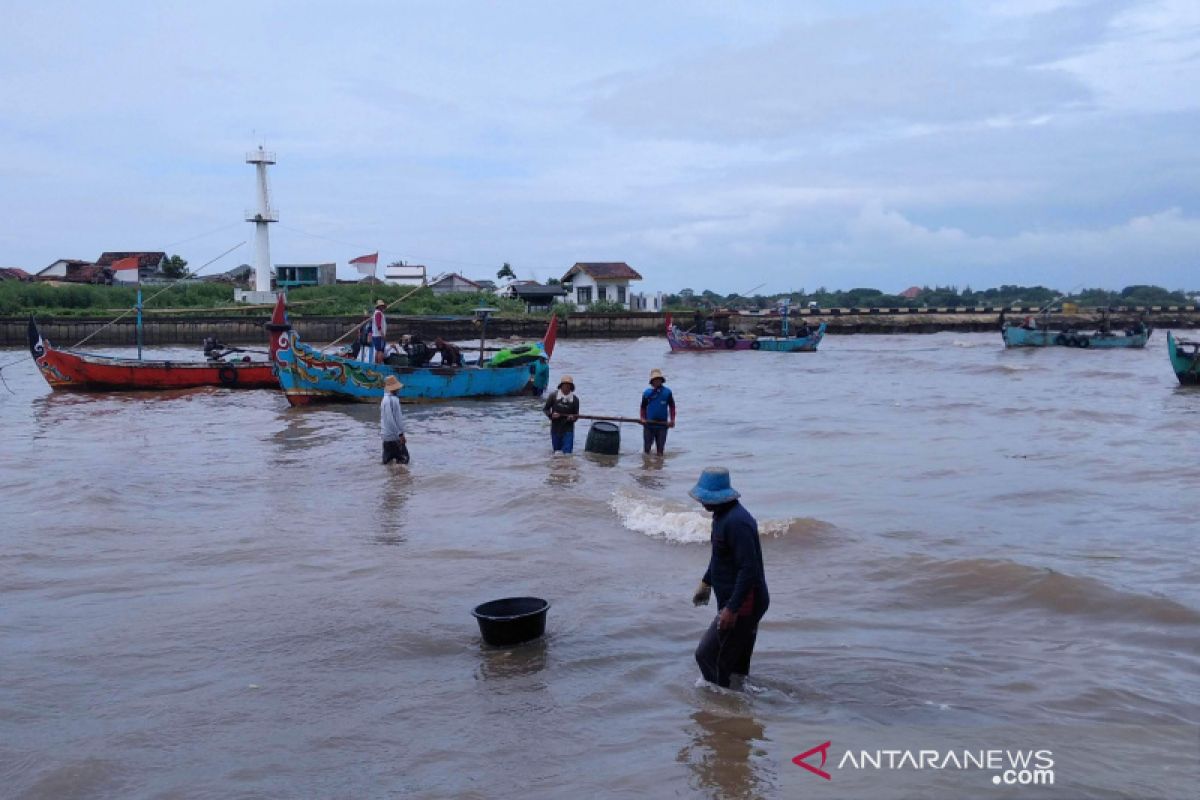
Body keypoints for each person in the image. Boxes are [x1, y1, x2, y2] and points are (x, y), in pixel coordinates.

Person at [690, 468, 769, 689]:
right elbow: (720, 556)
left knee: (707, 656)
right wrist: (707, 582)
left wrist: (731, 609)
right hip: (739, 600)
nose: (702, 502)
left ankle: (722, 707)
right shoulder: (721, 516)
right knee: (736, 667)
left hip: (745, 603)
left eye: (705, 497)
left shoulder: (737, 522)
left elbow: (748, 569)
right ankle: (740, 711)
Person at [640, 368, 676, 455]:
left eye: (658, 379)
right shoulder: (647, 393)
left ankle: (659, 467)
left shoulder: (667, 392)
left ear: (661, 380)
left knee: (660, 452)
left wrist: (672, 420)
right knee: (647, 451)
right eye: (655, 380)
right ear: (652, 382)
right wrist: (642, 418)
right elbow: (643, 407)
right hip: (649, 425)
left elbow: (672, 407)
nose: (657, 381)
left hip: (662, 425)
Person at [542, 375, 579, 454]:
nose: (566, 387)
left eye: (568, 386)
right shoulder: (553, 396)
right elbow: (545, 409)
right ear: (561, 386)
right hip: (556, 428)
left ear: (571, 387)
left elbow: (576, 415)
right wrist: (551, 415)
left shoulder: (575, 399)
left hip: (568, 429)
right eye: (564, 385)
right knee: (557, 453)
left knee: (567, 453)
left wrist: (573, 418)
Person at [380, 375, 409, 464]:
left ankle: (392, 477)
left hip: (386, 437)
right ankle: (398, 477)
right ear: (394, 389)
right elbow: (392, 419)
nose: (399, 390)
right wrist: (400, 435)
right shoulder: (393, 400)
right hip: (394, 437)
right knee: (404, 459)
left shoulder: (384, 399)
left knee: (388, 463)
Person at [371, 300, 388, 364]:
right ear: (379, 306)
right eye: (381, 306)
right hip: (379, 335)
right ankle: (379, 365)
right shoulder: (378, 313)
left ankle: (376, 365)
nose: (382, 307)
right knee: (380, 351)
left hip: (376, 335)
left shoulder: (376, 313)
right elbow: (378, 325)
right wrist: (382, 334)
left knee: (378, 350)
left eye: (383, 306)